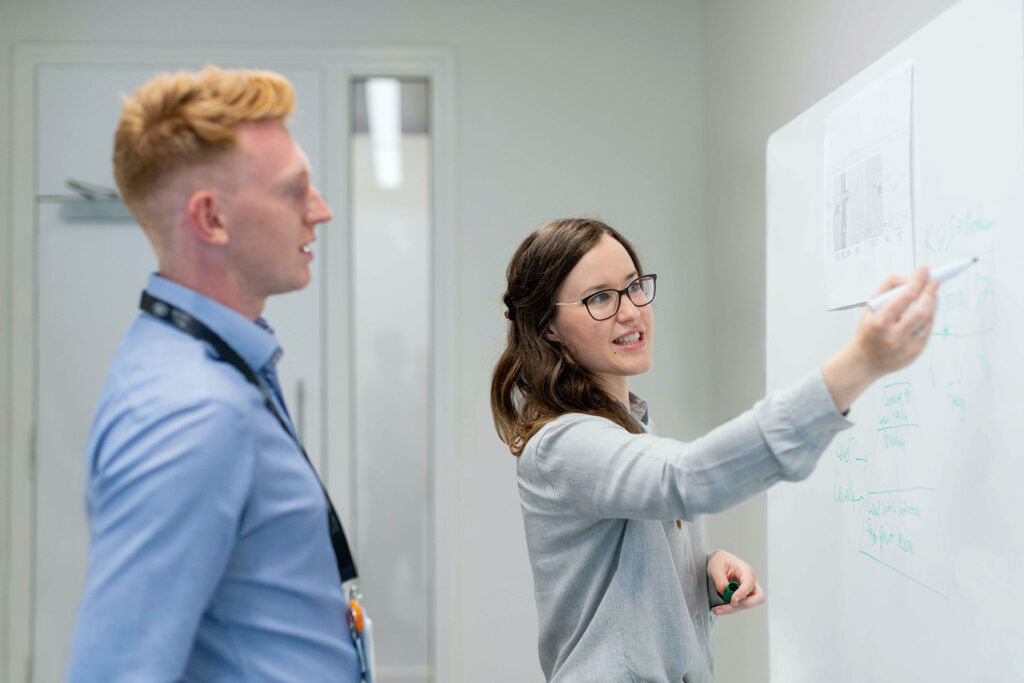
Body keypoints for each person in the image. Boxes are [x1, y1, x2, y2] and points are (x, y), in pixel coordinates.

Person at [490, 217, 938, 682]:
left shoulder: (632, 429)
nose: (630, 311)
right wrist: (858, 366)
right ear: (548, 328)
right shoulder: (563, 445)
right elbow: (685, 479)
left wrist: (696, 571)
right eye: (600, 298)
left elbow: (615, 584)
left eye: (634, 287)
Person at [68, 66, 365, 681]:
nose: (322, 211)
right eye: (294, 190)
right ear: (211, 219)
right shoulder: (191, 411)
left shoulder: (209, 364)